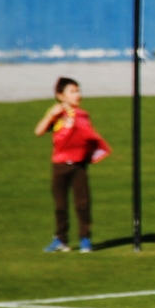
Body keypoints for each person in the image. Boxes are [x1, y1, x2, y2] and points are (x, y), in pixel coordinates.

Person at [34, 77, 111, 253]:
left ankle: (85, 239)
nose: (78, 95)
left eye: (78, 91)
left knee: (82, 204)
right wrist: (51, 115)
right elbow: (38, 131)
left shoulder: (82, 115)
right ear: (60, 95)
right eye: (73, 91)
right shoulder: (56, 115)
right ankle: (61, 239)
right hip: (60, 165)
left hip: (78, 166)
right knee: (60, 205)